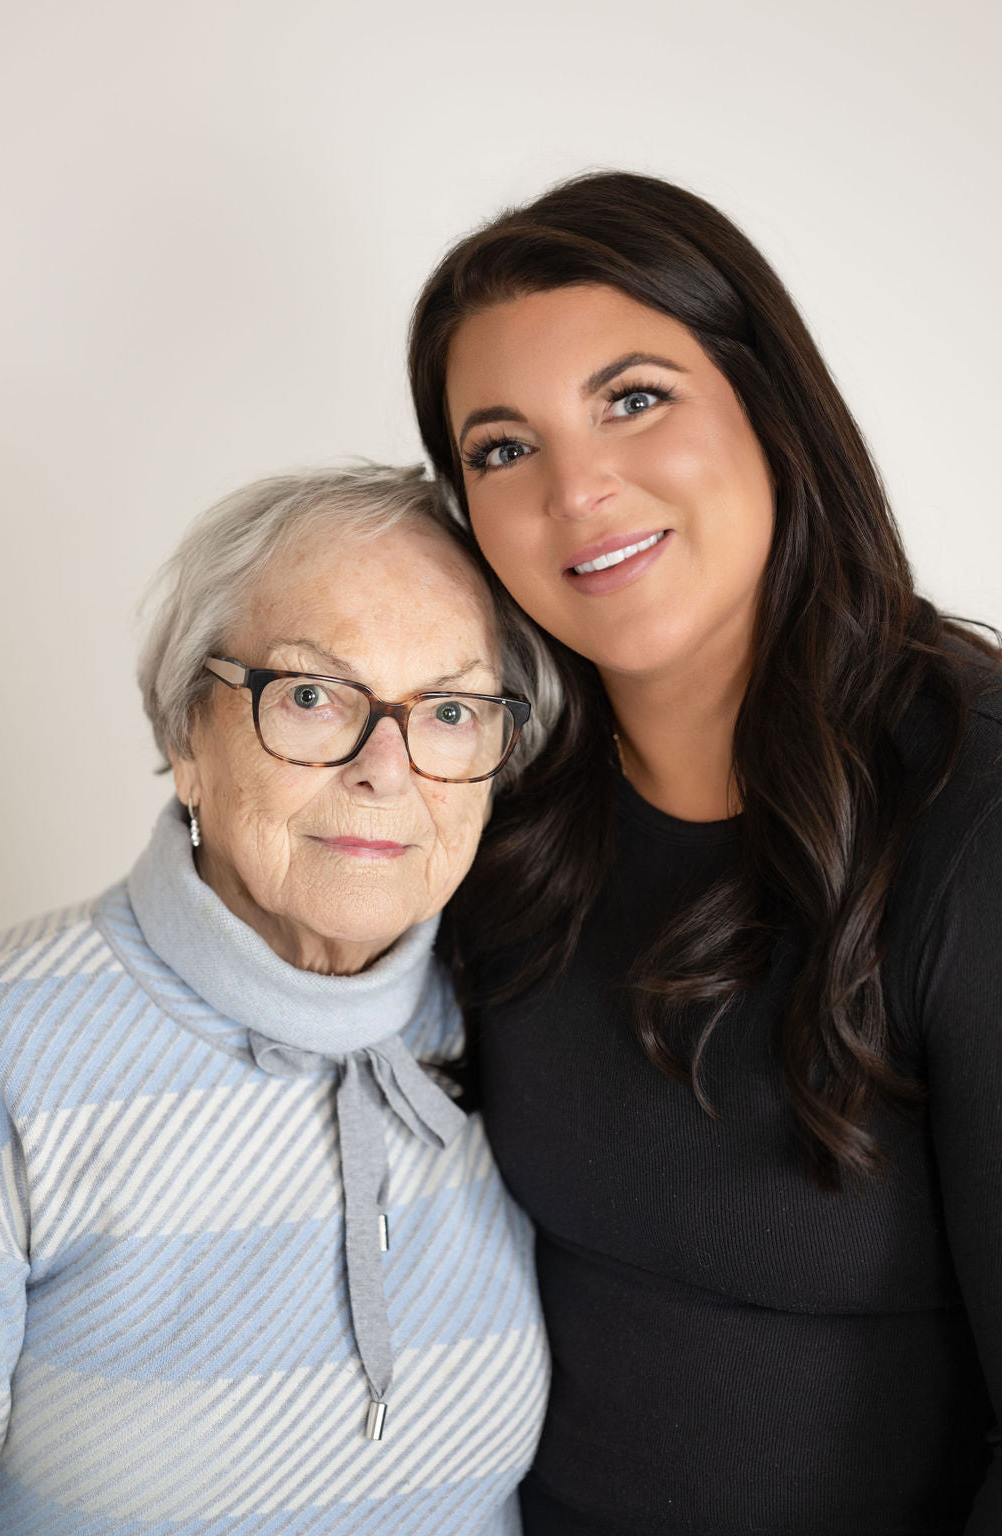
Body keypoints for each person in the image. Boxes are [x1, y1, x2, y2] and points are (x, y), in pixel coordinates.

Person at [407, 172, 1002, 1535]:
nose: (578, 489)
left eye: (634, 398)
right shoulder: (490, 807)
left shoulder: (974, 823)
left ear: (770, 404)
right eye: (503, 449)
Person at [0, 463, 560, 1534]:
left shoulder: (521, 1003)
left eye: (447, 709)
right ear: (185, 737)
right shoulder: (4, 1048)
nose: (386, 768)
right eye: (309, 694)